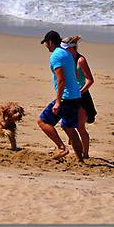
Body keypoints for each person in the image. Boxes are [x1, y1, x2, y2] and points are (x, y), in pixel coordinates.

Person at [37, 30, 84, 163]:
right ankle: (80, 160)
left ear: (50, 42)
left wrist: (58, 102)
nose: (46, 46)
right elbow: (74, 74)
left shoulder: (56, 56)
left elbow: (61, 80)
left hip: (66, 97)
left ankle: (61, 148)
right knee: (69, 128)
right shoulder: (67, 53)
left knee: (42, 121)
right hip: (75, 95)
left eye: (46, 43)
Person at [61, 35, 96, 159]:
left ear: (71, 48)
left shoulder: (81, 60)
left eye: (64, 49)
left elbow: (90, 80)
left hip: (82, 96)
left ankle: (85, 154)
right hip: (69, 96)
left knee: (80, 127)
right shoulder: (65, 59)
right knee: (67, 125)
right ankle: (75, 146)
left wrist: (80, 92)